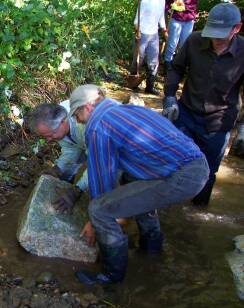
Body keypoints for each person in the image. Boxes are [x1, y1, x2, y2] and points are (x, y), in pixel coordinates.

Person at [68, 84, 208, 285]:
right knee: (130, 181)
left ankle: (110, 277)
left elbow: (102, 181)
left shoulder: (97, 125)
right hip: (197, 164)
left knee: (100, 209)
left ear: (88, 108)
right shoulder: (124, 109)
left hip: (182, 176)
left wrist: (94, 221)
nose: (77, 120)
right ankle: (151, 248)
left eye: (77, 114)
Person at [163, 2, 244, 206]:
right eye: (213, 33)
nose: (216, 39)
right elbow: (175, 68)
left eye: (221, 34)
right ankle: (165, 207)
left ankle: (197, 212)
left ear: (237, 28)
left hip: (219, 121)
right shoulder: (194, 40)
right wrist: (170, 97)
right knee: (171, 160)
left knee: (207, 171)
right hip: (187, 113)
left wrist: (242, 128)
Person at [28, 101, 89, 213]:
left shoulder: (87, 124)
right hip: (87, 143)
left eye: (51, 135)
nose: (49, 140)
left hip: (122, 150)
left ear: (63, 122)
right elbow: (71, 147)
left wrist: (77, 190)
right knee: (66, 172)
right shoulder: (56, 118)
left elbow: (100, 163)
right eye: (45, 137)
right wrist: (58, 168)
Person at [130, 0, 168, 95]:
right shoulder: (144, 1)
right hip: (142, 33)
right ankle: (133, 83)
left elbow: (161, 17)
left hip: (154, 34)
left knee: (154, 62)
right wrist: (137, 30)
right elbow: (136, 20)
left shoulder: (162, 1)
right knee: (139, 58)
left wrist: (164, 29)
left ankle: (150, 87)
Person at [164, 0, 198, 69]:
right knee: (172, 43)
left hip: (189, 19)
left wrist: (183, 5)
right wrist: (170, 8)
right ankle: (168, 62)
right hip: (176, 18)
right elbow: (167, 3)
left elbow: (194, 4)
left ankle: (180, 63)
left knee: (184, 44)